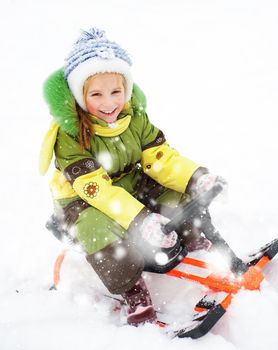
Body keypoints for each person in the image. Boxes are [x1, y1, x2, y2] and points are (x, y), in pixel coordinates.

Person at [40, 27, 224, 326]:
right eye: (96, 94)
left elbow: (160, 158)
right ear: (78, 96)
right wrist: (140, 219)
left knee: (175, 196)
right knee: (97, 230)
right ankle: (132, 291)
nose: (109, 103)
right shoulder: (70, 136)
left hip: (127, 183)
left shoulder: (133, 117)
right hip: (83, 201)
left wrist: (196, 178)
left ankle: (192, 240)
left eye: (116, 91)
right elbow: (97, 190)